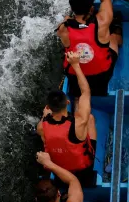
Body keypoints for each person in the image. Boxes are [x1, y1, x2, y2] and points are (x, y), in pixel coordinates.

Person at [38, 51, 97, 187]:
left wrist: (44, 116)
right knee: (90, 118)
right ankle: (78, 105)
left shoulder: (41, 126)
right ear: (68, 103)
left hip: (61, 172)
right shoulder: (80, 122)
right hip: (84, 169)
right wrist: (75, 65)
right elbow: (86, 92)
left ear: (48, 107)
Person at [57, 0, 119, 97]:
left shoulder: (63, 28)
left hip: (75, 76)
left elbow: (69, 27)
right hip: (101, 75)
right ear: (92, 8)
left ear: (72, 9)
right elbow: (106, 0)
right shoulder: (102, 20)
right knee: (112, 38)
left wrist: (67, 20)